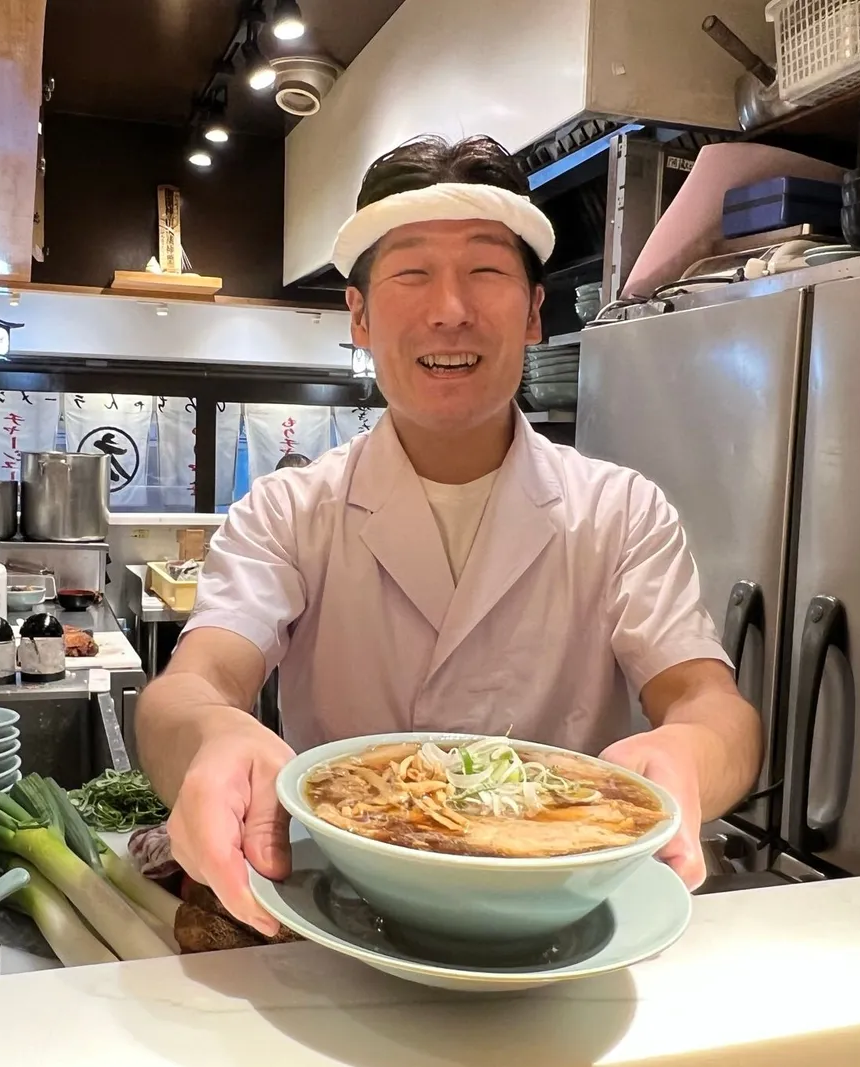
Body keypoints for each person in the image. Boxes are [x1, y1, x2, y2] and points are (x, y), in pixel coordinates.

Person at [138, 134, 762, 936]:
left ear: (534, 313)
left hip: (557, 925)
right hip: (342, 921)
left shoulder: (619, 512)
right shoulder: (289, 511)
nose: (450, 310)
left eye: (486, 271)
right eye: (411, 274)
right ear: (359, 316)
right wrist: (212, 733)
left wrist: (687, 754)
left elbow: (713, 705)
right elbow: (190, 685)